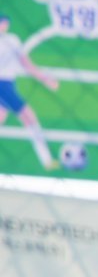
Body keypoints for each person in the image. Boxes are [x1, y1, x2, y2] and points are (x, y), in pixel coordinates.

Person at [0, 12, 60, 171]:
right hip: (3, 85)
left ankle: (46, 159)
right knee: (29, 117)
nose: (3, 25)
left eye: (4, 22)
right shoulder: (11, 41)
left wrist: (44, 78)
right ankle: (46, 159)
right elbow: (26, 63)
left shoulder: (11, 40)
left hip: (8, 84)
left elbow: (25, 63)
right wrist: (45, 79)